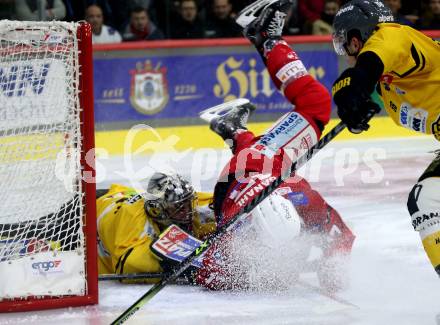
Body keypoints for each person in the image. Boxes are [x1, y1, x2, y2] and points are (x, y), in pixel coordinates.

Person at [195, 0, 355, 291]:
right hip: (240, 178)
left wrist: (329, 267)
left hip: (255, 168)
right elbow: (212, 273)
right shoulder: (287, 202)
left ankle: (265, 42)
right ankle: (234, 127)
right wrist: (330, 268)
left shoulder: (298, 196)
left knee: (313, 107)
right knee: (298, 121)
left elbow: (210, 276)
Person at [97, 169, 354, 292]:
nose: (187, 212)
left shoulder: (184, 205)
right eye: (179, 209)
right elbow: (124, 266)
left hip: (120, 193)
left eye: (187, 203)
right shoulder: (133, 219)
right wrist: (178, 265)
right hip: (89, 210)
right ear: (159, 211)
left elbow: (221, 206)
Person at [330, 0, 440, 276]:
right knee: (425, 200)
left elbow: (370, 63)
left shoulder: (393, 35)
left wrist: (354, 86)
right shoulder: (390, 88)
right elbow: (367, 76)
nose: (347, 53)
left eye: (348, 44)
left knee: (426, 199)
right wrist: (353, 103)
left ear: (360, 36)